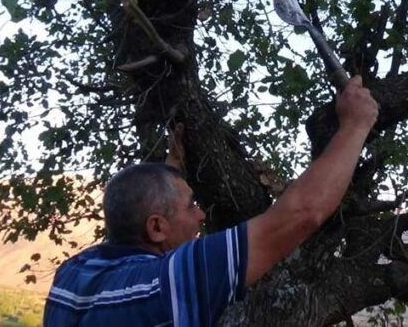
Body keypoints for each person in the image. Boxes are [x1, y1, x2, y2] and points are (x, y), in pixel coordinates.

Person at [43, 76, 378, 326]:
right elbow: (304, 212)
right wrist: (355, 125)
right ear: (157, 226)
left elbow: (146, 217)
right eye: (191, 205)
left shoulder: (74, 273)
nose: (201, 214)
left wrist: (173, 168)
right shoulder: (169, 283)